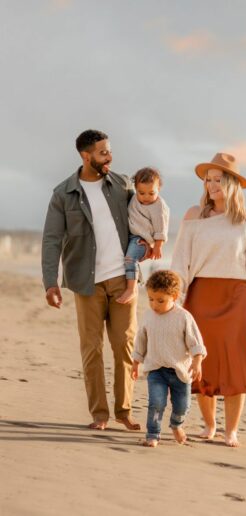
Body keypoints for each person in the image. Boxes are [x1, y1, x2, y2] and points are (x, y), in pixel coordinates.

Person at [171, 152, 246, 447]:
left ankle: (231, 431)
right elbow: (180, 261)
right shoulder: (194, 215)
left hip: (238, 298)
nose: (211, 185)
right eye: (208, 180)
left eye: (218, 180)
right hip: (200, 296)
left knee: (235, 367)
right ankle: (209, 425)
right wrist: (173, 299)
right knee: (201, 361)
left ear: (232, 183)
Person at [42, 129, 146, 431]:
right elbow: (52, 240)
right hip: (86, 283)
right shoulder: (63, 194)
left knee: (124, 345)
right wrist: (51, 282)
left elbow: (148, 211)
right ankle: (100, 414)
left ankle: (124, 411)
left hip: (123, 279)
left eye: (109, 151)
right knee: (92, 349)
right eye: (102, 152)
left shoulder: (123, 185)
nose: (109, 157)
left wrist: (152, 242)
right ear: (85, 156)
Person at [132, 270, 207, 447]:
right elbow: (140, 341)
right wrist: (136, 363)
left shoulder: (183, 317)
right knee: (156, 403)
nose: (154, 305)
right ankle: (153, 433)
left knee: (183, 406)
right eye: (150, 299)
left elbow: (195, 342)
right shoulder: (148, 316)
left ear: (173, 296)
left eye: (160, 300)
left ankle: (176, 425)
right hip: (156, 370)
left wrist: (197, 362)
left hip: (180, 371)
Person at [116, 167, 169, 304]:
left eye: (151, 193)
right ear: (135, 188)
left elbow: (160, 227)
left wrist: (157, 246)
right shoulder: (134, 198)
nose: (146, 197)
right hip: (130, 236)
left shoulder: (158, 206)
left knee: (130, 259)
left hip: (142, 239)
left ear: (159, 190)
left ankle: (131, 289)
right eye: (142, 193)